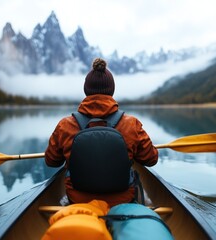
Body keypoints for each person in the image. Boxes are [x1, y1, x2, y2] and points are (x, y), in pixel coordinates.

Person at [45, 58, 158, 207]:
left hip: (78, 200)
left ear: (86, 90)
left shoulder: (65, 125)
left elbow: (51, 161)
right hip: (123, 201)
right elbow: (151, 159)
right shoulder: (131, 124)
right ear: (112, 91)